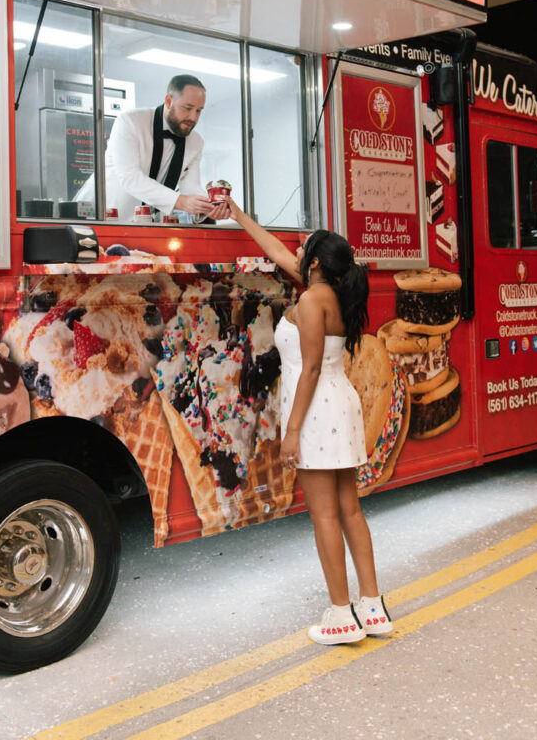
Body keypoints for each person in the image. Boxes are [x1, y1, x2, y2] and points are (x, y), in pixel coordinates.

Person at [227, 198, 392, 645]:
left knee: (323, 515)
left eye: (304, 250)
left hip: (317, 410)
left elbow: (312, 368)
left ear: (315, 262)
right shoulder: (332, 293)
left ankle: (341, 615)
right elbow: (279, 254)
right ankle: (372, 607)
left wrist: (293, 431)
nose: (295, 252)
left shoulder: (311, 298)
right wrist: (239, 215)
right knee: (350, 510)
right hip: (341, 405)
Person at [105, 74, 229, 222]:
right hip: (106, 219)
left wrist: (207, 208)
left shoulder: (196, 141)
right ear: (169, 101)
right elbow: (130, 177)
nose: (193, 117)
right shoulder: (130, 121)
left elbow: (191, 186)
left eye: (198, 110)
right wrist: (181, 201)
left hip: (151, 227)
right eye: (188, 108)